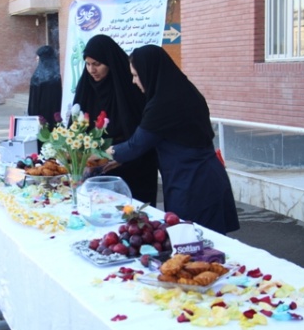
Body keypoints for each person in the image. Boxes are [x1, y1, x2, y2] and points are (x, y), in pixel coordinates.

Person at [107, 45, 239, 235]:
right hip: (203, 177)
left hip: (192, 184)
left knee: (192, 241)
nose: (134, 81)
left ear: (148, 72)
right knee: (205, 242)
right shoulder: (185, 91)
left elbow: (136, 145)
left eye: (136, 75)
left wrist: (104, 153)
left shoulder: (163, 104)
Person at [73, 34, 158, 206]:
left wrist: (120, 154)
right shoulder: (86, 88)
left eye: (97, 64)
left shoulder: (130, 87)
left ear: (110, 62)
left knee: (132, 215)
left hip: (132, 166)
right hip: (96, 168)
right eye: (88, 64)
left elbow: (143, 133)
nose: (91, 70)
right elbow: (75, 127)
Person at [27, 45, 62, 131]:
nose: (37, 59)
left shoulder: (37, 77)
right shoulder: (57, 76)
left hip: (41, 120)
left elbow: (33, 104)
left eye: (39, 57)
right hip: (56, 117)